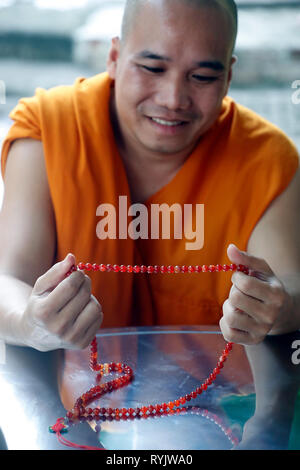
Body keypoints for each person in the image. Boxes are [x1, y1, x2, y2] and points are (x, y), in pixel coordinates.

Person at [0, 0, 299, 450]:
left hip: (217, 417)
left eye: (202, 77)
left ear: (229, 76)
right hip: (70, 414)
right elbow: (7, 279)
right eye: (153, 67)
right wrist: (30, 319)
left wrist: (277, 307)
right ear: (115, 57)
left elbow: (289, 287)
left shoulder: (268, 163)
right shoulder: (52, 132)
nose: (173, 99)